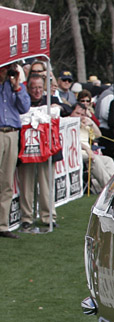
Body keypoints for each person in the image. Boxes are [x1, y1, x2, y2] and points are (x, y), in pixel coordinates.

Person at [18, 72, 64, 232]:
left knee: (46, 185)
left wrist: (56, 108)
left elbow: (64, 109)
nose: (37, 91)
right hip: (27, 150)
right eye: (33, 88)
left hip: (47, 150)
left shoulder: (51, 100)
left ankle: (48, 216)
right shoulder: (22, 101)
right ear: (28, 88)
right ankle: (26, 218)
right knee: (26, 185)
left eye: (39, 87)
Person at [0, 63, 30, 238]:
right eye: (4, 69)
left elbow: (24, 107)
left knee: (6, 181)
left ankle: (3, 225)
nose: (7, 72)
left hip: (12, 133)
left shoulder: (14, 87)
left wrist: (17, 86)